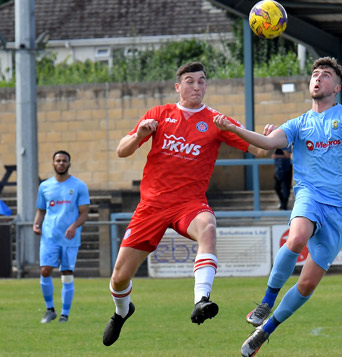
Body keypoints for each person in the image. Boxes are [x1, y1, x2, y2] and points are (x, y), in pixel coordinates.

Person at [213, 56, 342, 357]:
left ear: (337, 87)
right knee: (296, 237)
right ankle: (266, 302)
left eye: (325, 75)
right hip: (310, 195)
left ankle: (263, 331)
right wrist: (234, 129)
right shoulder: (299, 124)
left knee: (307, 284)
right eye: (314, 74)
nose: (317, 78)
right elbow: (268, 143)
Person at [102, 62, 269, 347]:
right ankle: (122, 311)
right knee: (119, 278)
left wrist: (265, 135)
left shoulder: (216, 120)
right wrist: (140, 134)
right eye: (189, 81)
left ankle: (201, 300)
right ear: (178, 87)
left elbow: (260, 150)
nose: (196, 86)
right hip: (152, 206)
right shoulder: (160, 114)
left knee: (208, 227)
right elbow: (121, 150)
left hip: (189, 204)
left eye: (201, 81)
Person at [33, 150, 90, 323]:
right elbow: (41, 210)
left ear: (69, 163)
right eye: (58, 161)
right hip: (49, 236)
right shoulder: (45, 186)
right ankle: (50, 310)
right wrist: (36, 224)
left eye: (64, 161)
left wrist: (73, 226)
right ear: (53, 164)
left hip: (70, 239)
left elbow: (84, 213)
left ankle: (65, 314)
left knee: (66, 273)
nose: (61, 163)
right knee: (45, 270)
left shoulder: (79, 186)